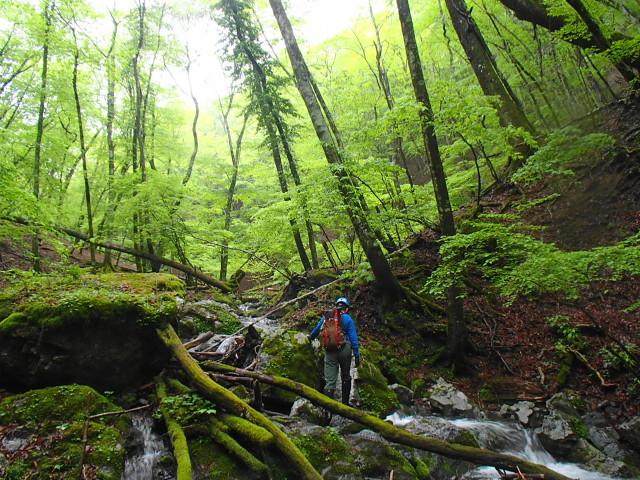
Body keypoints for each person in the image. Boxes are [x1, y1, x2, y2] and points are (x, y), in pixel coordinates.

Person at [308, 296, 361, 405]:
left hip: (330, 349)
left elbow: (317, 330)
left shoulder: (327, 317)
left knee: (330, 381)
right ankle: (345, 405)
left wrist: (310, 338)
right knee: (346, 376)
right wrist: (356, 355)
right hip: (345, 349)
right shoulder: (348, 319)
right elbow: (353, 339)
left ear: (336, 306)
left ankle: (328, 410)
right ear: (346, 309)